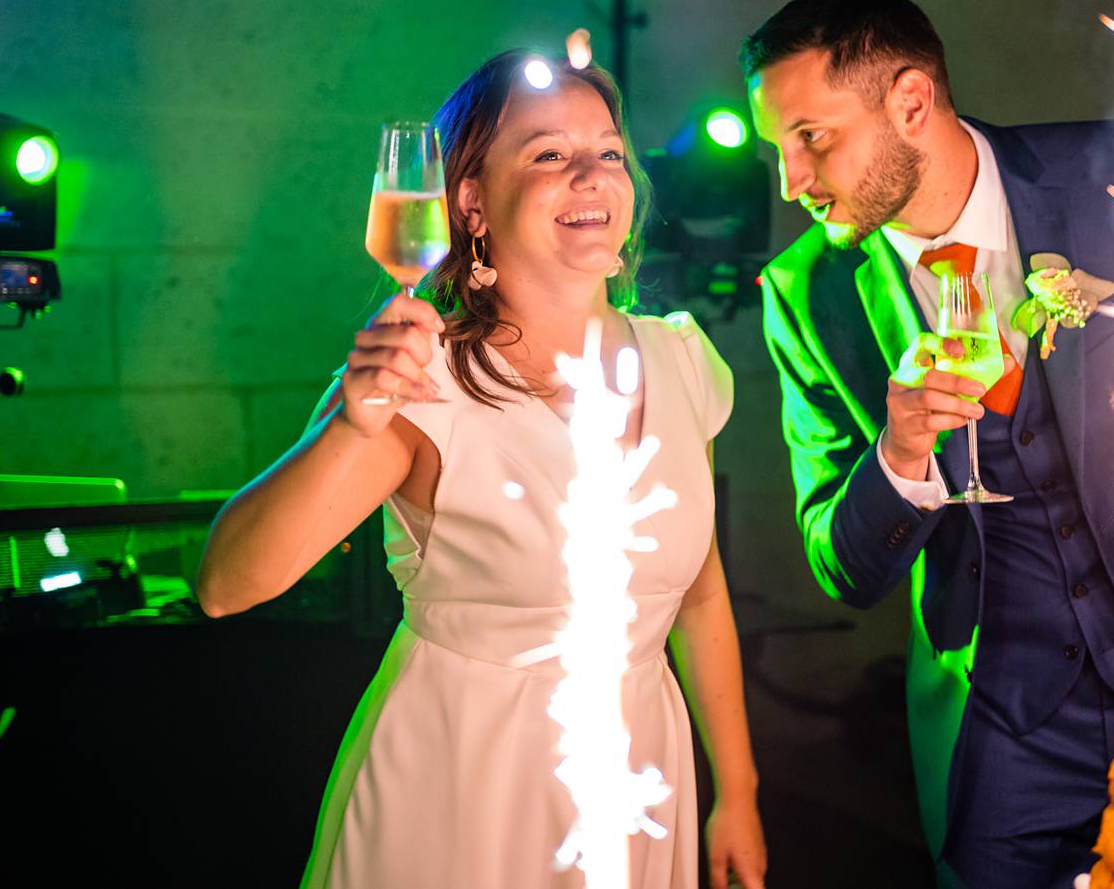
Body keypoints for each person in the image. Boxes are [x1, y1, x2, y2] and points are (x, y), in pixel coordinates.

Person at [740, 0, 1114, 888]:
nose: (790, 184)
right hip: (1003, 736)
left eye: (811, 138)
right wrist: (899, 459)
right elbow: (844, 565)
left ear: (911, 101)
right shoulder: (805, 294)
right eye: (775, 149)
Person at [197, 50, 767, 889]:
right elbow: (226, 585)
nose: (591, 175)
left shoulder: (683, 360)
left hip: (640, 780)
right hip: (466, 786)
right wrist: (354, 426)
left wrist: (739, 793)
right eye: (548, 155)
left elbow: (701, 591)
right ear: (471, 201)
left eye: (607, 152)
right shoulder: (423, 384)